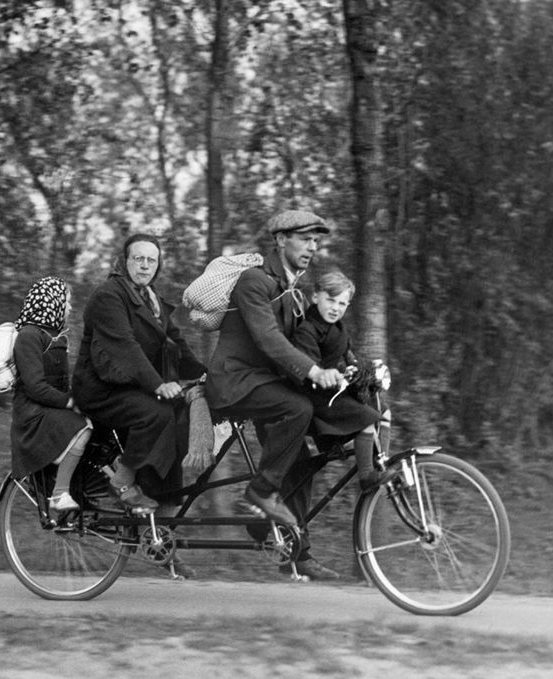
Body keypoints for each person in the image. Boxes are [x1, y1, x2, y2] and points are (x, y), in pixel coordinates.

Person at [204, 209, 342, 580]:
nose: (312, 247)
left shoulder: (292, 290)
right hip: (234, 382)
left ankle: (298, 555)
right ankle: (260, 493)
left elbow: (310, 340)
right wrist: (312, 372)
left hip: (262, 384)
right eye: (304, 238)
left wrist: (346, 369)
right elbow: (268, 339)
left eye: (316, 240)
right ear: (281, 240)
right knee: (296, 408)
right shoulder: (255, 281)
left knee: (300, 459)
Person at [72, 234, 207, 514]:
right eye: (139, 259)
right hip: (101, 388)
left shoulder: (151, 298)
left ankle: (163, 503)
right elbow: (126, 348)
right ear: (125, 262)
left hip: (131, 385)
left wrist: (207, 374)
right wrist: (158, 385)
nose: (145, 266)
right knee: (155, 413)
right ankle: (121, 481)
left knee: (180, 414)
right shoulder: (109, 295)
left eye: (151, 260)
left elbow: (177, 343)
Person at [291, 271, 398, 492]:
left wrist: (359, 368)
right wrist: (331, 375)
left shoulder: (338, 328)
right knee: (365, 419)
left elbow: (347, 354)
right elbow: (308, 368)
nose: (335, 308)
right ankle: (367, 476)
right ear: (315, 296)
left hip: (335, 392)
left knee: (384, 412)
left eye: (342, 303)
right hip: (315, 398)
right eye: (330, 300)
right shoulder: (307, 331)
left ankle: (381, 462)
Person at [10, 276, 91, 512]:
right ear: (50, 301)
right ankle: (59, 493)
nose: (69, 307)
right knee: (82, 427)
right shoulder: (28, 336)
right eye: (66, 301)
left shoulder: (54, 336)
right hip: (33, 415)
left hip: (50, 407)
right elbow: (35, 387)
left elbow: (62, 382)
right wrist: (70, 402)